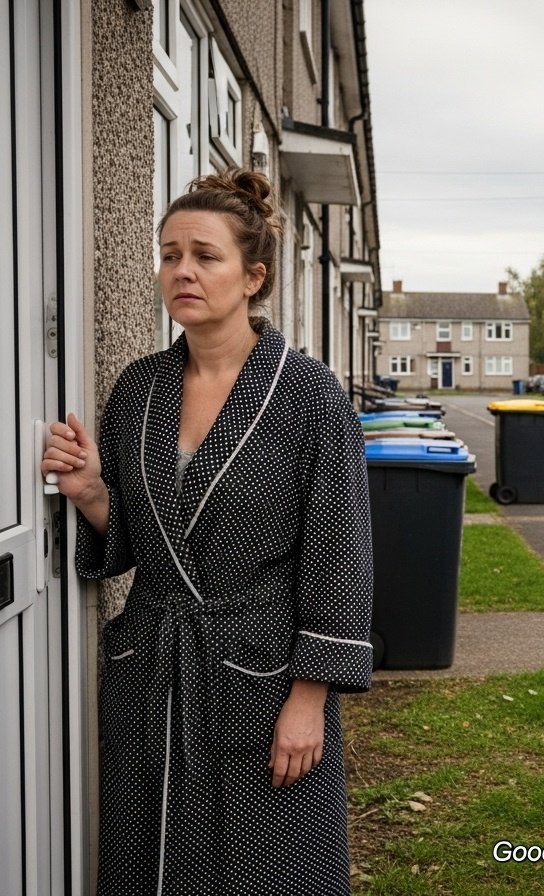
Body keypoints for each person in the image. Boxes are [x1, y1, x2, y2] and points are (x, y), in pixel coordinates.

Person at [41, 168, 374, 895]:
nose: (182, 271)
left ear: (253, 277)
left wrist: (310, 698)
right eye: (169, 254)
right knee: (148, 860)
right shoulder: (138, 389)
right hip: (154, 670)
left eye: (204, 255)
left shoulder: (307, 395)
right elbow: (143, 542)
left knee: (267, 867)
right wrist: (93, 492)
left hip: (262, 676)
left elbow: (340, 553)